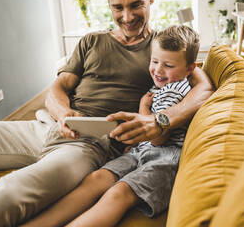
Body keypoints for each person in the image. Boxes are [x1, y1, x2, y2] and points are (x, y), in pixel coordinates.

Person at [0, 0, 213, 226]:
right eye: (117, 7)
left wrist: (160, 120)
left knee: (1, 200)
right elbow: (57, 89)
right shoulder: (91, 41)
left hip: (88, 145)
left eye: (136, 5)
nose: (127, 17)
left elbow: (203, 86)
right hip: (46, 127)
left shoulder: (163, 49)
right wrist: (63, 114)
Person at [19, 25, 200, 227]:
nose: (158, 70)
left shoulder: (174, 91)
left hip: (165, 158)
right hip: (139, 151)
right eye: (155, 61)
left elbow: (158, 138)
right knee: (95, 179)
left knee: (118, 193)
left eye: (168, 65)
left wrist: (143, 108)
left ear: (190, 69)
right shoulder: (164, 84)